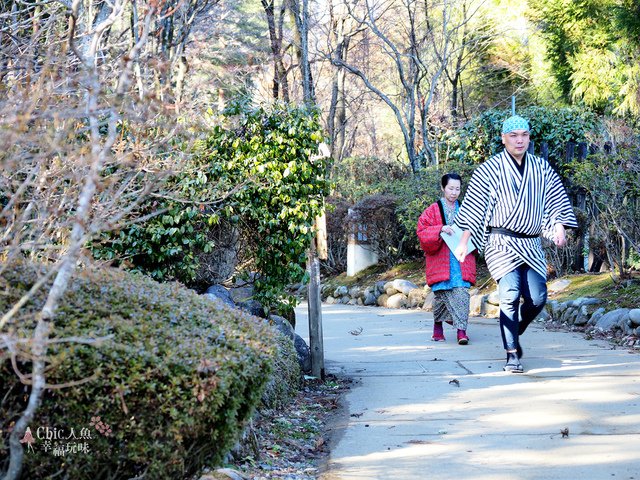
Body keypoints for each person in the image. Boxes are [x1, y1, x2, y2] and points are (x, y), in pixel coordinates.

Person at [454, 114, 578, 373]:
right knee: (509, 295)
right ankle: (512, 354)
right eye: (513, 135)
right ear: (503, 139)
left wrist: (558, 227)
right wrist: (464, 242)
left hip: (531, 243)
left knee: (538, 298)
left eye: (524, 135)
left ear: (529, 137)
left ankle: (515, 328)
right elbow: (474, 208)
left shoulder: (542, 168)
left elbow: (554, 200)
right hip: (501, 242)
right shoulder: (489, 169)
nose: (519, 140)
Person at [417, 173, 476, 345]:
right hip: (441, 258)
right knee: (441, 294)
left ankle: (461, 332)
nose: (454, 192)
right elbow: (422, 231)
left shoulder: (466, 209)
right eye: (450, 188)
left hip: (461, 259)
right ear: (443, 188)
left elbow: (476, 230)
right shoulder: (432, 210)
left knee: (462, 293)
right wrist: (440, 229)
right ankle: (438, 329)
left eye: (457, 189)